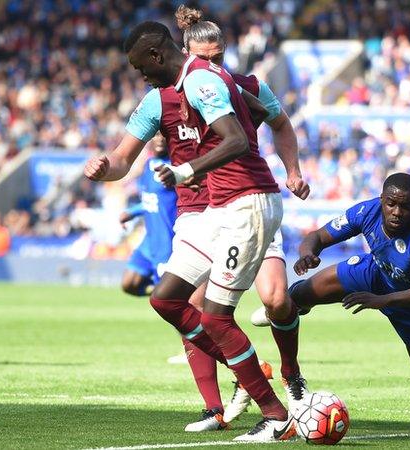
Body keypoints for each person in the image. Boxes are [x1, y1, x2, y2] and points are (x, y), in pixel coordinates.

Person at [84, 21, 294, 442]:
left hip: (248, 203)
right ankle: (248, 371)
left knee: (218, 315)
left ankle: (276, 415)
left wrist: (185, 170)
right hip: (215, 208)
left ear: (157, 57)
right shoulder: (157, 99)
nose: (140, 74)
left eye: (140, 65)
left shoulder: (201, 79)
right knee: (167, 299)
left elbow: (236, 140)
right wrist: (107, 169)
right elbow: (124, 158)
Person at [172, 5, 309, 433]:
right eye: (204, 58)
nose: (212, 64)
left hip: (251, 206)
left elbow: (281, 124)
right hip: (215, 213)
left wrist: (293, 171)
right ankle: (241, 381)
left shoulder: (247, 85)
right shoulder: (177, 91)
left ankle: (291, 376)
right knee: (191, 307)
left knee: (275, 300)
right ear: (186, 53)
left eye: (219, 57)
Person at [288, 173, 410, 366]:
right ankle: (281, 310)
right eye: (391, 204)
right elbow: (318, 236)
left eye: (406, 206)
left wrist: (383, 300)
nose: (397, 212)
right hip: (378, 272)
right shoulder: (366, 210)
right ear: (382, 199)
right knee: (301, 294)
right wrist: (307, 253)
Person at [120, 136, 177, 296]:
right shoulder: (148, 165)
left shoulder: (175, 168)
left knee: (165, 298)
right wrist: (132, 212)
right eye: (156, 135)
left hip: (167, 241)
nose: (160, 139)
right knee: (129, 284)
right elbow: (151, 200)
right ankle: (158, 291)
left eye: (164, 135)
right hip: (149, 240)